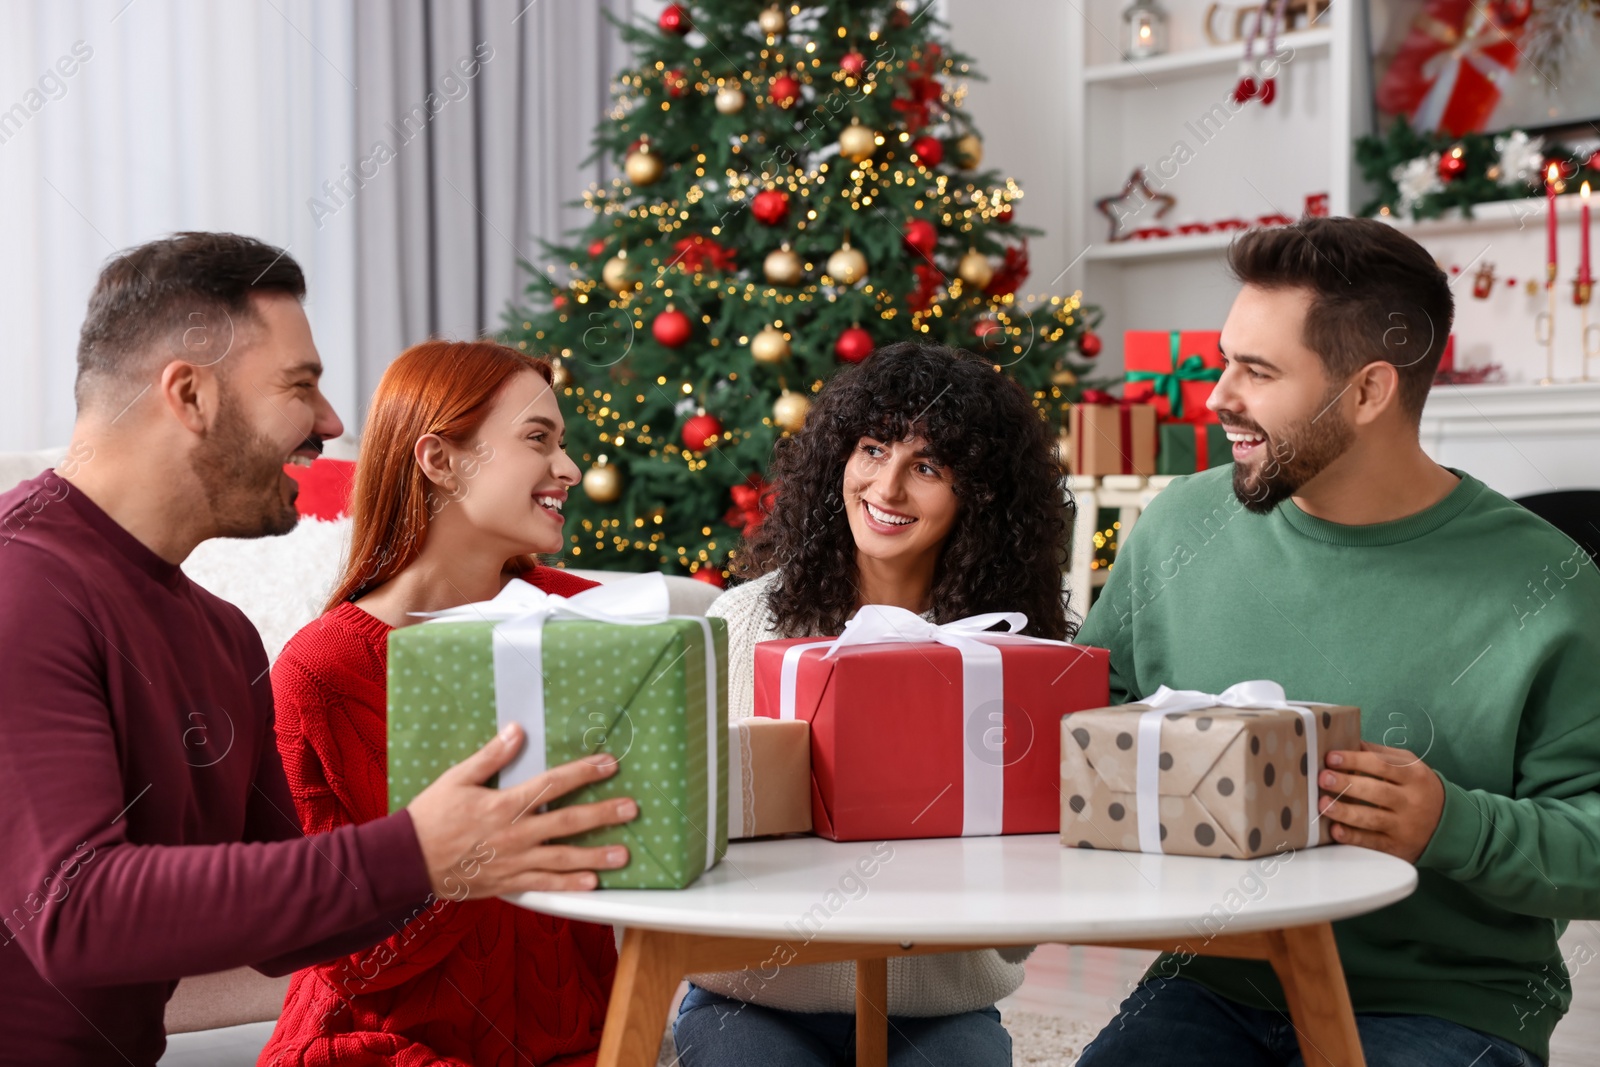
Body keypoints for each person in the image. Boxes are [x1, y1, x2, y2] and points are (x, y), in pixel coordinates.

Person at [0, 233, 636, 1067]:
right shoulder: (24, 586)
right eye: (301, 387)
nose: (333, 424)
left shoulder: (222, 635)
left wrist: (489, 839)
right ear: (190, 395)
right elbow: (73, 911)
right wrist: (417, 847)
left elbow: (291, 908)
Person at [1073, 217, 1600, 1067]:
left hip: (1445, 1003)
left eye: (1257, 370)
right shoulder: (1180, 526)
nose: (1216, 395)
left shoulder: (1548, 583)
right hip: (1216, 977)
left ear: (1367, 391)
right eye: (1224, 358)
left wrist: (1450, 824)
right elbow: (1087, 715)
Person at [674, 342, 1073, 1067]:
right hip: (752, 993)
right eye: (872, 448)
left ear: (978, 495)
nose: (885, 487)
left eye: (926, 466)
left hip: (934, 1004)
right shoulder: (742, 625)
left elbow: (1033, 879)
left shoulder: (1008, 656)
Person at [260, 340, 618, 1065]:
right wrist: (460, 852)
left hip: (574, 1042)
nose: (570, 469)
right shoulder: (323, 669)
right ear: (440, 459)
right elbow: (343, 958)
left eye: (565, 443)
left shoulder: (589, 620)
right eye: (537, 439)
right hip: (376, 1046)